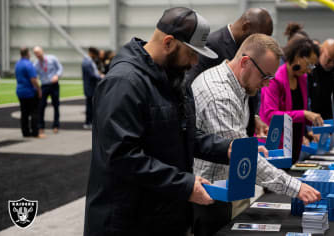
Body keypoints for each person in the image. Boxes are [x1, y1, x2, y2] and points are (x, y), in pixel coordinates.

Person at [84, 7, 236, 235]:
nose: (195, 62)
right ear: (168, 43)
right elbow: (121, 155)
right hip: (126, 222)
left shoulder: (173, 80)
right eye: (192, 53)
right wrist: (185, 185)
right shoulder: (124, 83)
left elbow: (184, 134)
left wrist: (227, 148)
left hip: (162, 216)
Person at [192, 34, 321, 236]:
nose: (268, 84)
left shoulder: (236, 83)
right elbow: (240, 156)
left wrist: (249, 145)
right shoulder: (220, 96)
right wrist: (295, 187)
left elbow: (235, 143)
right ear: (245, 62)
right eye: (265, 76)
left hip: (222, 186)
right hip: (210, 193)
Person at [186, 8, 273, 138]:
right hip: (214, 132)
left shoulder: (246, 48)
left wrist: (254, 116)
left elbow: (250, 87)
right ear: (246, 26)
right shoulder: (212, 45)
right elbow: (191, 89)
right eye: (257, 38)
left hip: (240, 127)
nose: (260, 45)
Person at [260, 38, 323, 164]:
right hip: (275, 147)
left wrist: (313, 125)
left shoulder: (302, 78)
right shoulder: (275, 79)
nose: (310, 70)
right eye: (309, 64)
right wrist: (304, 114)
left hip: (294, 146)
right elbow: (271, 115)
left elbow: (299, 111)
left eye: (313, 66)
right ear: (299, 57)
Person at [308, 39, 334, 120]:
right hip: (314, 117)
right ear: (321, 52)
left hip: (332, 117)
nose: (331, 64)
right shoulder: (310, 70)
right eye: (328, 60)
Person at [33, 46, 63, 134]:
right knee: (41, 106)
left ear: (42, 51)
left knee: (56, 105)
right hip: (44, 86)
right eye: (36, 54)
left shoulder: (52, 59)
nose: (38, 55)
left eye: (39, 53)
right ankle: (41, 126)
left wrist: (57, 75)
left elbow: (60, 68)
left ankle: (56, 125)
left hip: (54, 85)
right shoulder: (36, 64)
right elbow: (34, 75)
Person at [14, 47, 43, 138]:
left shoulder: (17, 64)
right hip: (29, 91)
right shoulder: (29, 64)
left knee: (24, 113)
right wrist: (39, 90)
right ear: (27, 54)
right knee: (34, 112)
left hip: (20, 91)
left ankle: (25, 132)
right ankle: (35, 132)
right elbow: (33, 79)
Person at [82, 47, 103, 129]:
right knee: (89, 107)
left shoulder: (89, 61)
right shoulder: (87, 62)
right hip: (89, 88)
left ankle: (90, 122)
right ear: (91, 53)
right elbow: (92, 75)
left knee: (91, 106)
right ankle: (88, 122)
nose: (96, 56)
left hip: (91, 87)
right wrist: (101, 77)